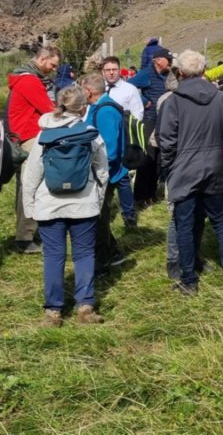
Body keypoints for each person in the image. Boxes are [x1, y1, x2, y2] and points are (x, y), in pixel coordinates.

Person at [156, 49, 223, 295]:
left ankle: (189, 280)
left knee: (184, 225)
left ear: (180, 72)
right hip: (214, 167)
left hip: (184, 169)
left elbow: (167, 140)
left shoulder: (174, 101)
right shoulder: (220, 98)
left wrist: (169, 167)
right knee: (220, 220)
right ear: (204, 71)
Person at [21, 85, 109, 326]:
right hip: (84, 203)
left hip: (49, 204)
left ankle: (53, 311)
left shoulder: (44, 135)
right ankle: (85, 305)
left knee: (53, 256)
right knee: (84, 253)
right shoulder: (90, 133)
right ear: (83, 108)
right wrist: (98, 199)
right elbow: (102, 170)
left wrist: (30, 209)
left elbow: (30, 175)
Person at [6, 45, 61, 253]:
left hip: (22, 135)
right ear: (42, 59)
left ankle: (26, 230)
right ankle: (25, 236)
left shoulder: (24, 77)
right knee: (31, 186)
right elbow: (48, 110)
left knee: (26, 186)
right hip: (29, 137)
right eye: (52, 65)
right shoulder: (30, 81)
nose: (53, 69)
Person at [81, 75, 135, 274]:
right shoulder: (98, 107)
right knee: (99, 216)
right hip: (102, 171)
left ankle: (104, 261)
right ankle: (112, 252)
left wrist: (94, 168)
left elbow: (110, 149)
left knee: (99, 218)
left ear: (88, 91)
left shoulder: (105, 111)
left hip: (106, 173)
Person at [130, 46, 174, 207]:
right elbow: (130, 87)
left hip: (165, 121)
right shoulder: (146, 74)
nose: (169, 62)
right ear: (157, 60)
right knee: (147, 158)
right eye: (167, 59)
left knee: (158, 160)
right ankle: (140, 197)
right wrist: (143, 101)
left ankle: (151, 193)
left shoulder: (169, 75)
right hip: (149, 120)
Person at [102, 55, 144, 120]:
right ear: (103, 72)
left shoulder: (130, 89)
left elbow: (138, 114)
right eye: (108, 70)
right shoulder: (98, 88)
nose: (111, 72)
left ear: (119, 71)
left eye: (114, 69)